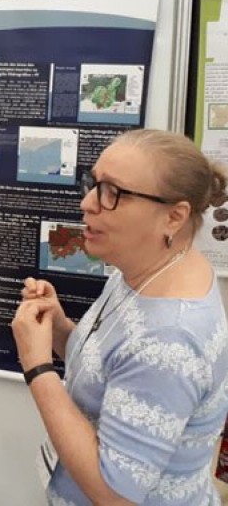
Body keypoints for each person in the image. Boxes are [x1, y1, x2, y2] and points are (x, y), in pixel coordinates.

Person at [12, 128, 228, 506]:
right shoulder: (146, 270)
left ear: (174, 217)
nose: (88, 204)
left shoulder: (171, 338)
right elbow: (114, 366)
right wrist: (60, 329)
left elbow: (115, 495)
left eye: (114, 193)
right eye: (94, 184)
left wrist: (37, 367)